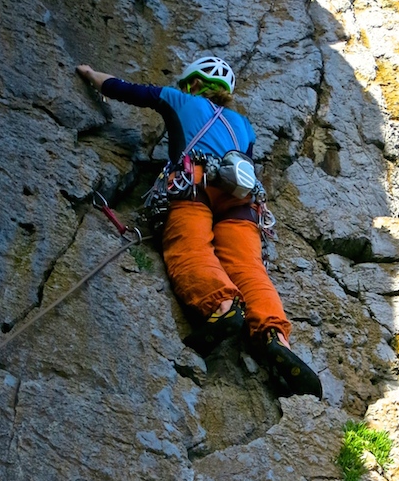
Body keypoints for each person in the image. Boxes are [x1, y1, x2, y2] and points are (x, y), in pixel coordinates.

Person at [76, 55, 322, 398]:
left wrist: (90, 73)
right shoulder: (243, 125)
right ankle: (275, 338)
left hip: (193, 184)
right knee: (250, 269)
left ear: (192, 82)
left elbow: (125, 89)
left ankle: (221, 308)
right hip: (242, 199)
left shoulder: (180, 100)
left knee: (190, 246)